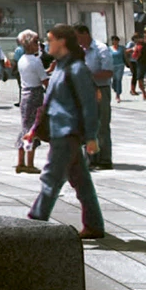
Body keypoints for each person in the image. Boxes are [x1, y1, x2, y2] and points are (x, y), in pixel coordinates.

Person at [25, 25, 104, 240]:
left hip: (67, 132)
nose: (46, 44)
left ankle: (35, 221)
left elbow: (89, 105)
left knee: (51, 177)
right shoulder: (58, 68)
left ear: (62, 42)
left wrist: (91, 136)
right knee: (81, 181)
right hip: (58, 130)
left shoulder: (77, 69)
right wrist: (34, 129)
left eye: (50, 40)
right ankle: (94, 225)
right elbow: (48, 103)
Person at [79, 24, 115, 170]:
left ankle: (105, 159)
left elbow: (108, 72)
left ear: (85, 34)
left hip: (100, 89)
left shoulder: (101, 49)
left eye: (77, 37)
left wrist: (89, 77)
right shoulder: (79, 51)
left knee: (102, 125)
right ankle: (91, 159)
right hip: (85, 91)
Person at [14, 30, 46, 175]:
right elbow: (44, 80)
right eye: (35, 42)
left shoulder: (22, 59)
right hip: (35, 94)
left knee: (25, 127)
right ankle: (29, 162)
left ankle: (21, 161)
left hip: (25, 94)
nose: (38, 45)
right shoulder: (36, 60)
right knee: (32, 129)